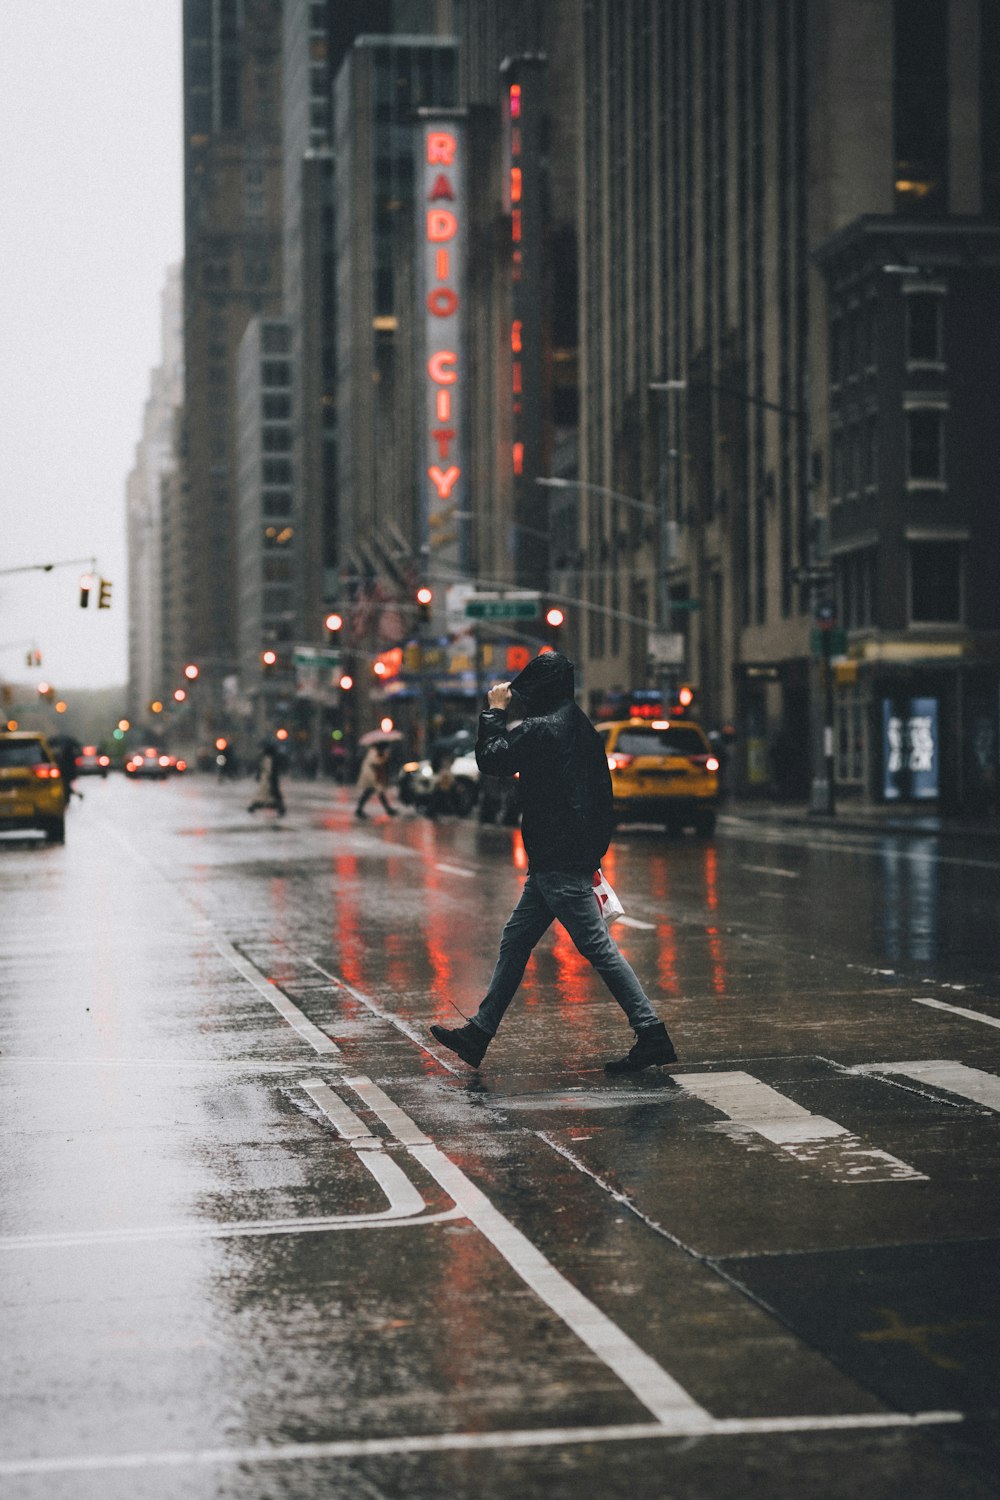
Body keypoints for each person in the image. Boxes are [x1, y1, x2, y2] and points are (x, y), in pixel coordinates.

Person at [430, 651, 678, 1074]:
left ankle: (652, 1032)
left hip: (558, 857)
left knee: (597, 947)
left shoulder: (544, 729)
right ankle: (479, 1034)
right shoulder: (579, 725)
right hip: (562, 854)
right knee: (516, 940)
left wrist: (493, 710)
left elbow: (492, 760)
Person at [355, 743, 397, 819]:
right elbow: (376, 762)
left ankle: (359, 809)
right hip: (371, 775)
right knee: (376, 792)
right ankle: (388, 809)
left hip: (374, 776)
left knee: (372, 792)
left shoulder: (377, 752)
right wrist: (384, 758)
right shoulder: (373, 752)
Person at [247, 741, 286, 816]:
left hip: (266, 779)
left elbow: (265, 769)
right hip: (268, 779)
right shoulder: (271, 758)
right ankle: (279, 808)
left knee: (265, 794)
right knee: (270, 794)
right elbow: (270, 770)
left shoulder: (265, 758)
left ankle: (254, 807)